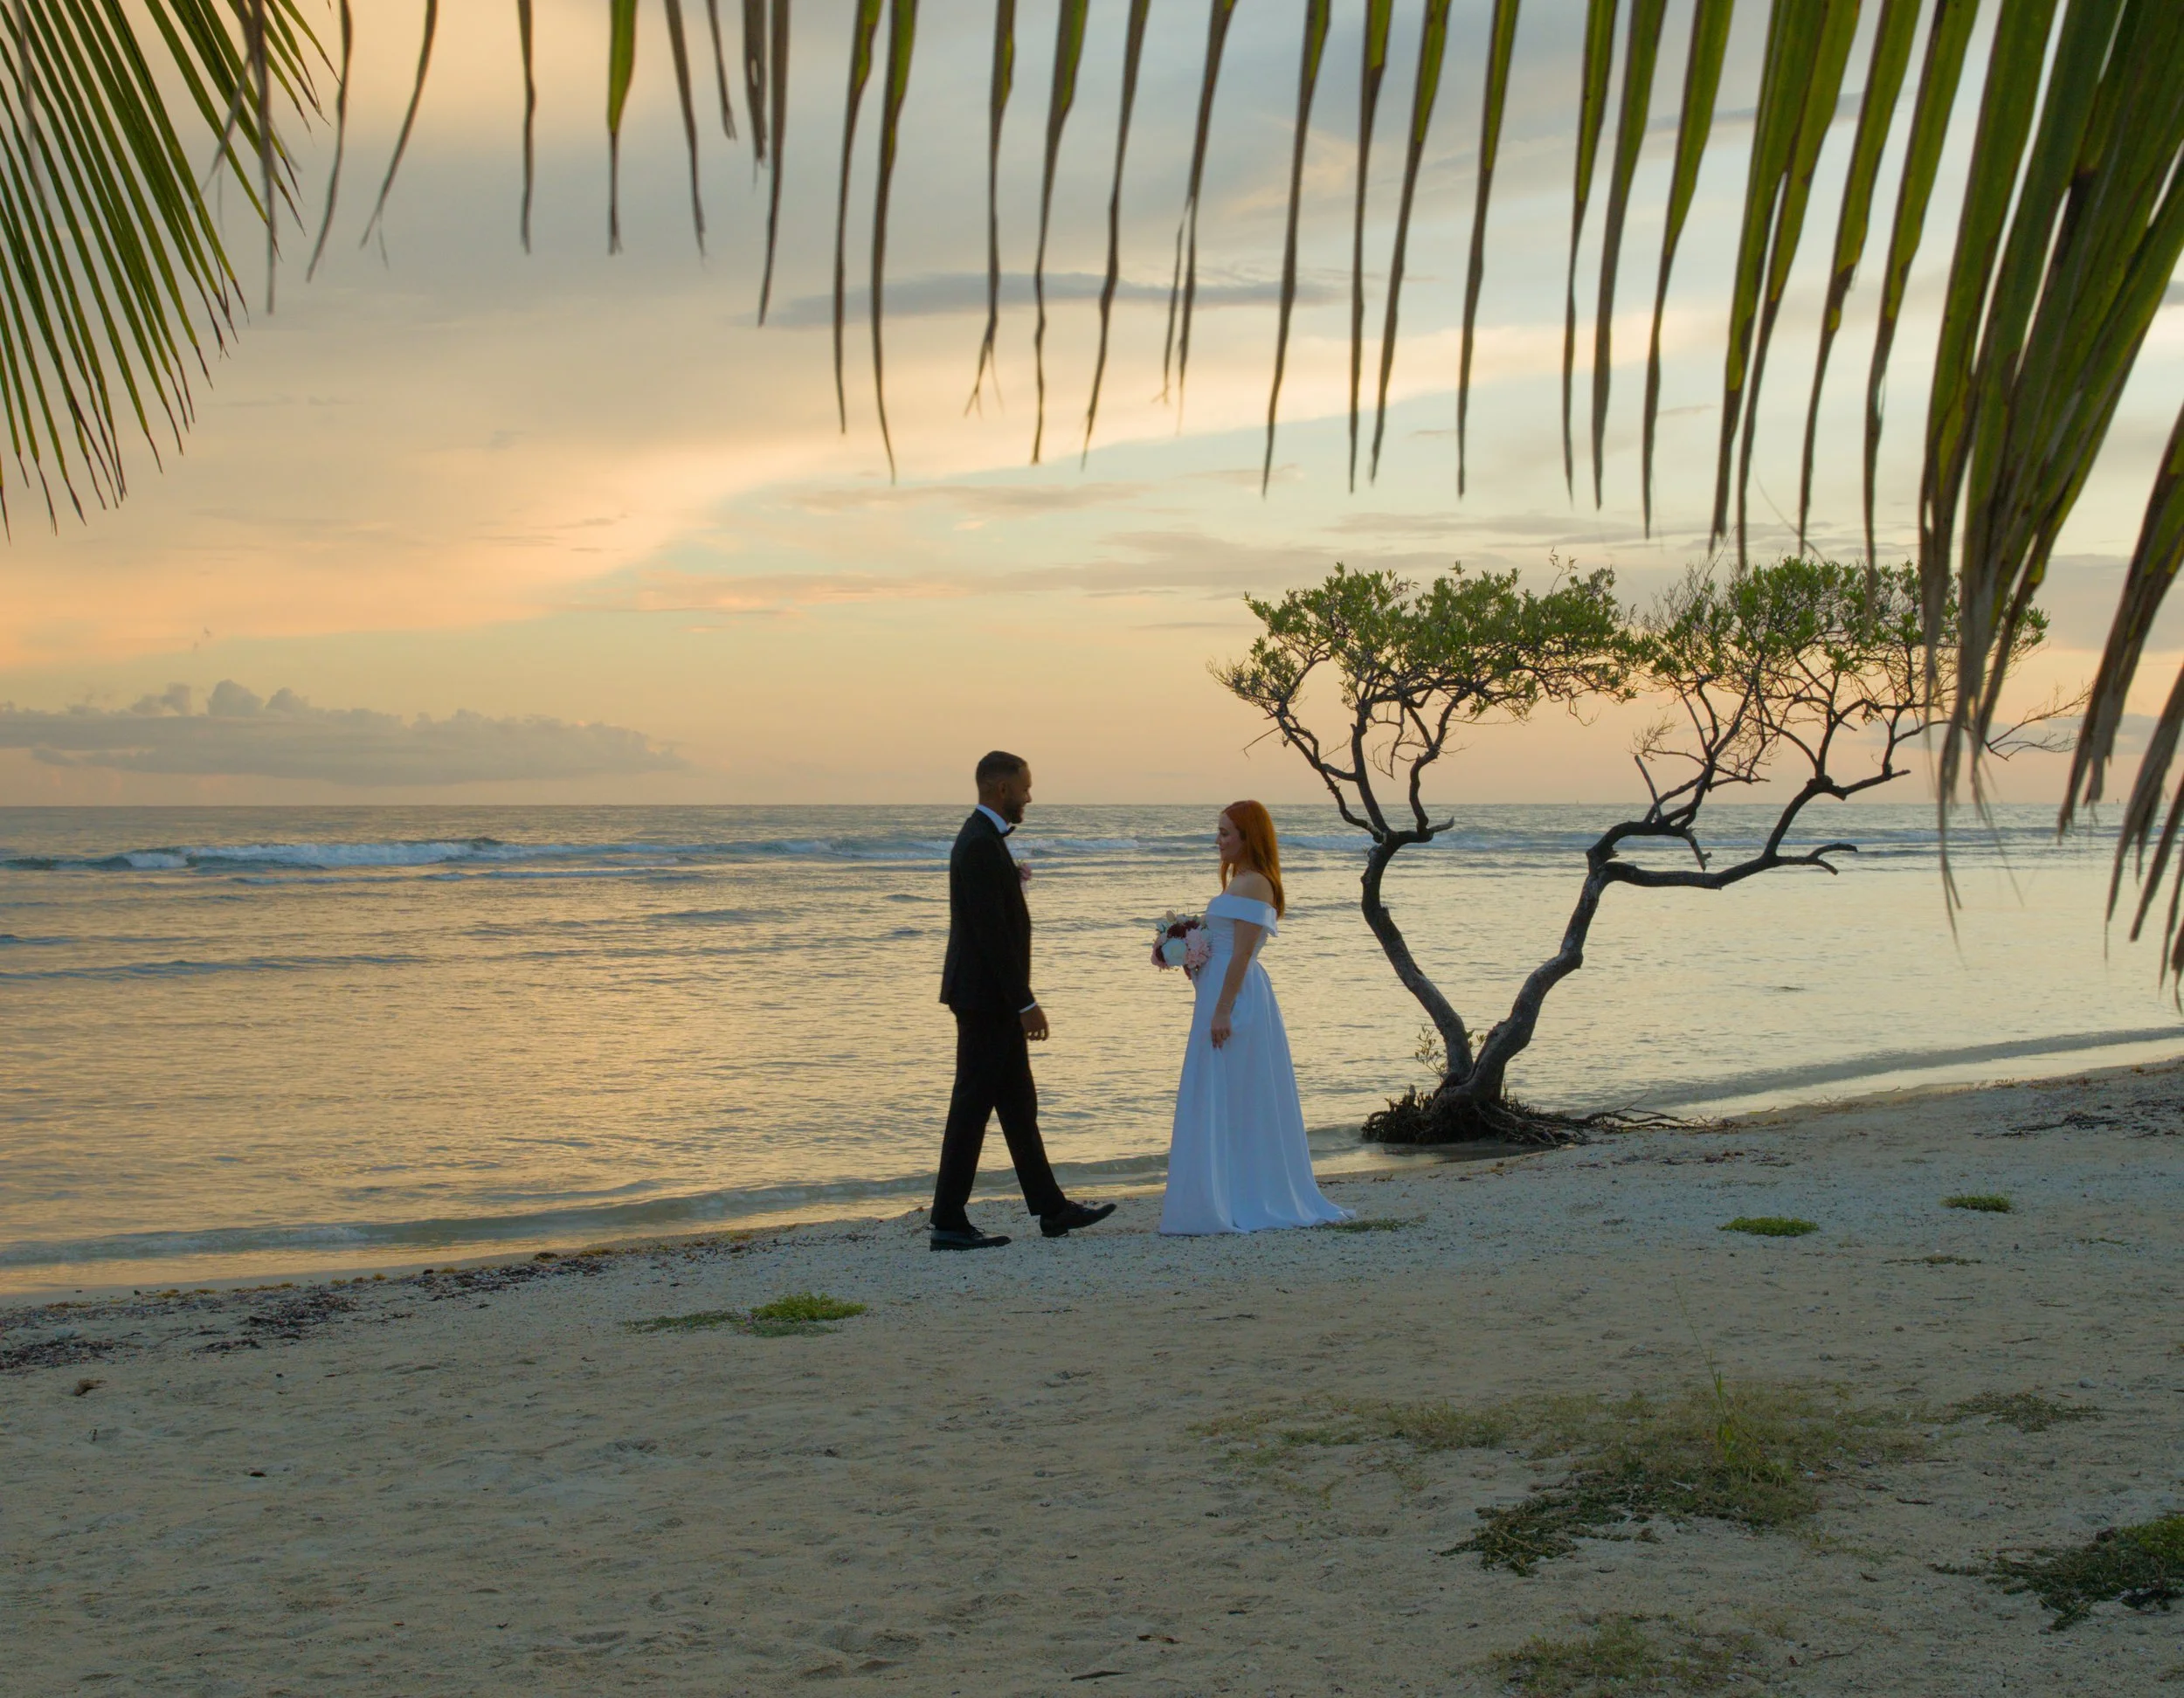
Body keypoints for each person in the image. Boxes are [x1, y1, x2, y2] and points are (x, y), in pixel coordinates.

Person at [930, 750, 1117, 1251]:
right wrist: (1024, 1003)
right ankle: (948, 1221)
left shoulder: (985, 840)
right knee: (971, 1108)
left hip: (989, 999)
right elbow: (992, 938)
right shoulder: (978, 845)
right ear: (1000, 788)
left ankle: (1052, 1210)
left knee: (1018, 1106)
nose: (1030, 797)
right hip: (986, 1001)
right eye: (1025, 787)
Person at [1159, 801, 1350, 1236]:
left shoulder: (1256, 885)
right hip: (1216, 990)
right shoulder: (1238, 883)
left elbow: (1243, 954)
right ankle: (1217, 1191)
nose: (1218, 840)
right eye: (1219, 831)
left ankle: (1243, 1194)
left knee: (1237, 1092)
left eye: (1226, 833)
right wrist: (1188, 955)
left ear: (1249, 837)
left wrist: (1223, 1008)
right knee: (1217, 1091)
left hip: (1236, 997)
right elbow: (1222, 945)